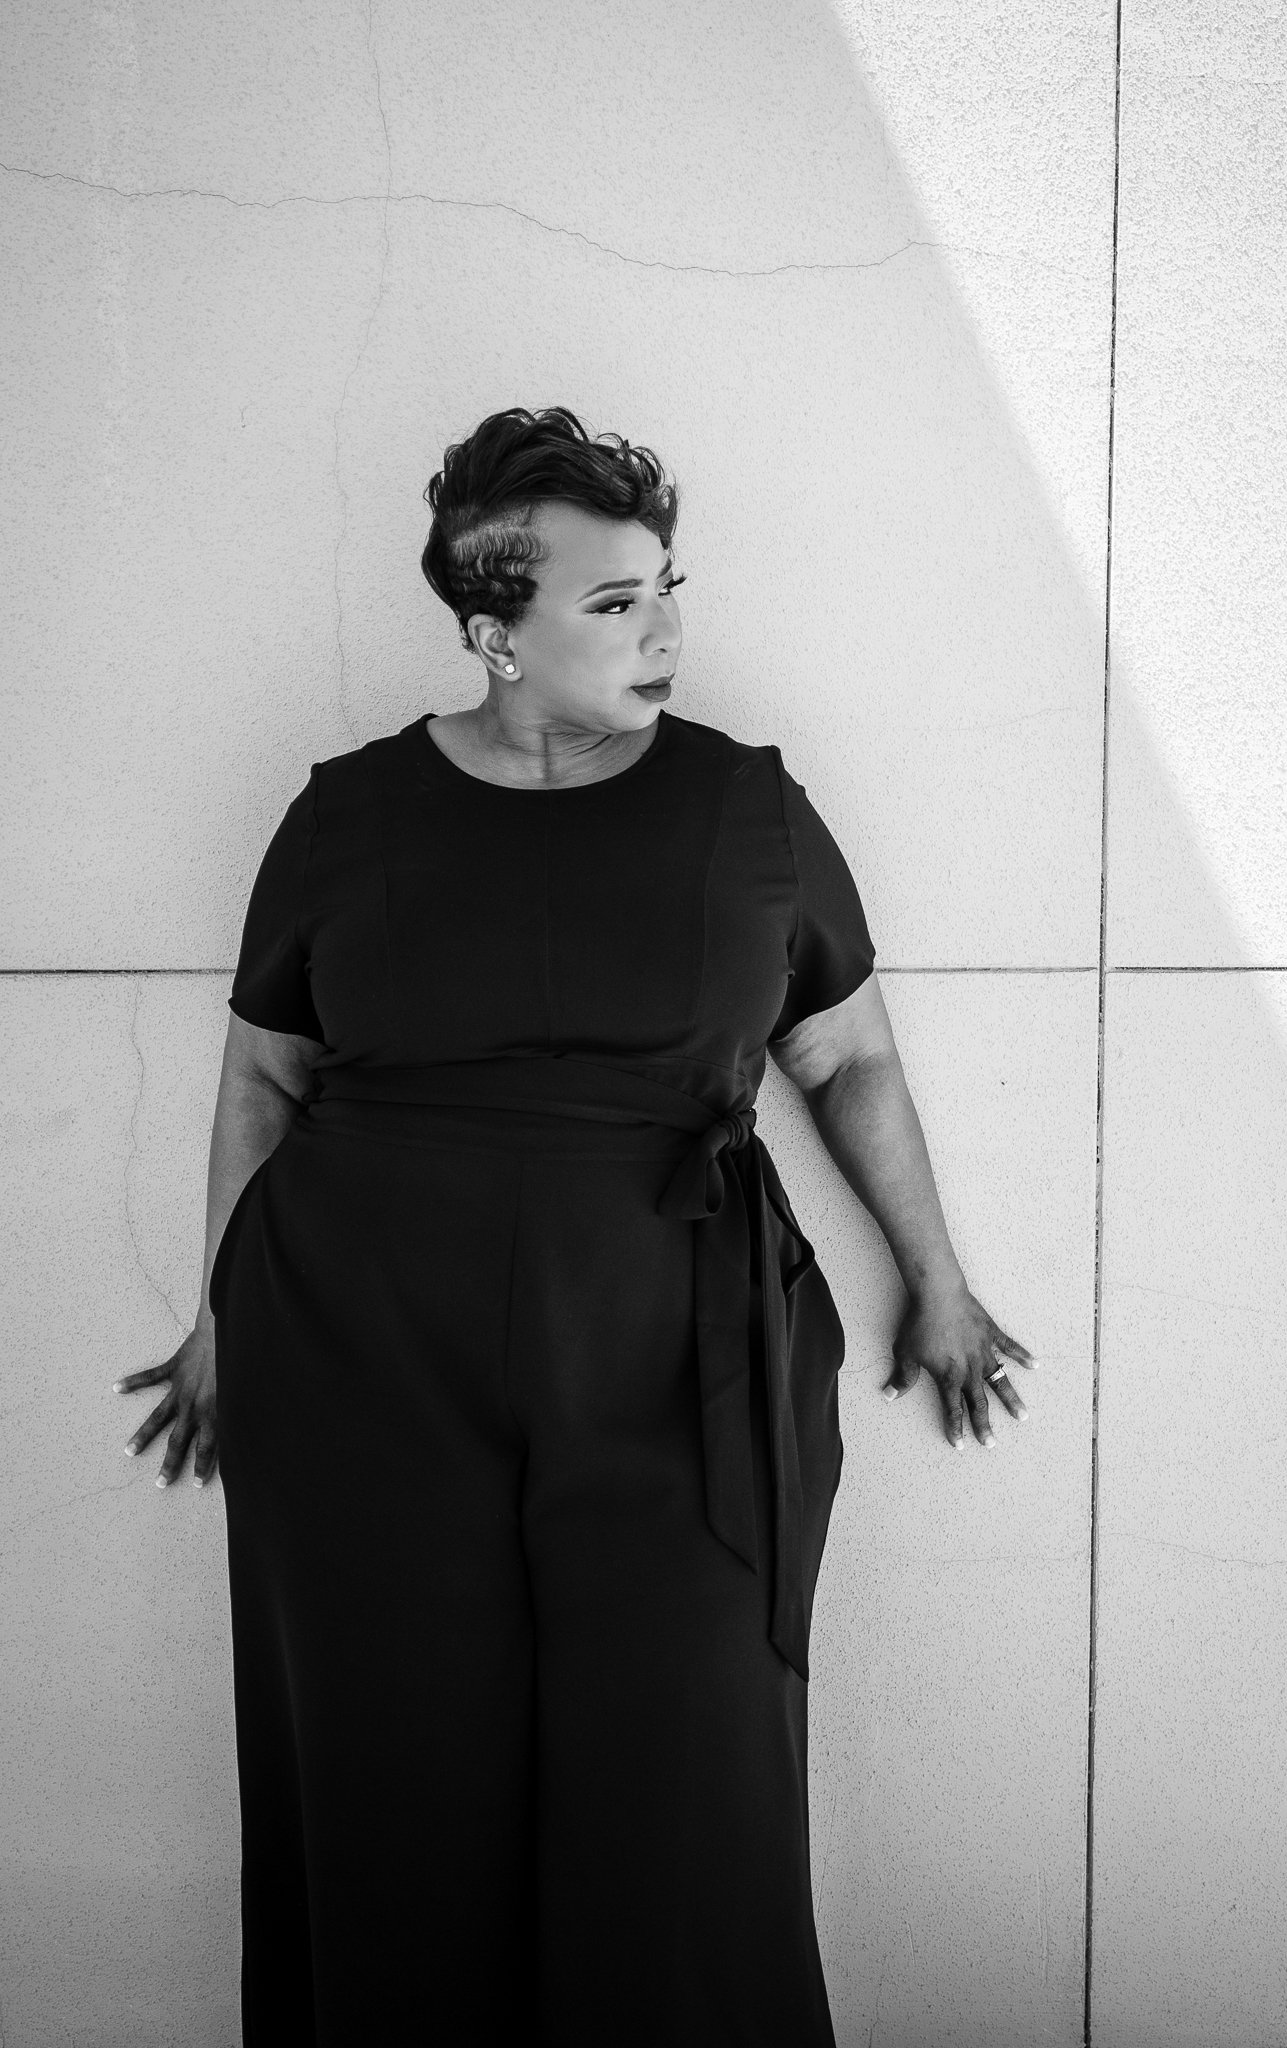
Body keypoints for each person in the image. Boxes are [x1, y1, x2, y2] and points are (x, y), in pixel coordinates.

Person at [115, 405, 1033, 2046]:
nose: (665, 628)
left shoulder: (748, 809)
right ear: (492, 632)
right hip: (365, 1356)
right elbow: (264, 1073)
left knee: (687, 1770)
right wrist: (217, 1321)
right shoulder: (342, 816)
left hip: (673, 1346)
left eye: (665, 586)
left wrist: (937, 1278)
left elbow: (850, 1053)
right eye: (613, 604)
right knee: (396, 1768)